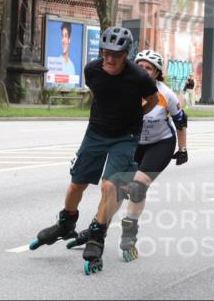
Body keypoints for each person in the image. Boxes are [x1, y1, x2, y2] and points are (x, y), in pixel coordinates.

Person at [29, 26, 159, 275]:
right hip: (96, 132)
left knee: (110, 186)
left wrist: (135, 117)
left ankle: (97, 236)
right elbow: (100, 93)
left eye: (117, 54)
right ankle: (66, 223)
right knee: (76, 184)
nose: (110, 58)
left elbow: (152, 100)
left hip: (126, 136)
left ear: (126, 54)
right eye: (106, 52)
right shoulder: (92, 70)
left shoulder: (139, 77)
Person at [94, 49, 188, 262]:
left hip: (159, 144)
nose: (144, 71)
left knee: (137, 187)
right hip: (133, 142)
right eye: (141, 66)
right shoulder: (125, 90)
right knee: (116, 189)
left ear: (157, 73)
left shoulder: (166, 95)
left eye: (149, 68)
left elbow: (181, 121)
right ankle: (98, 227)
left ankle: (129, 234)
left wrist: (182, 149)